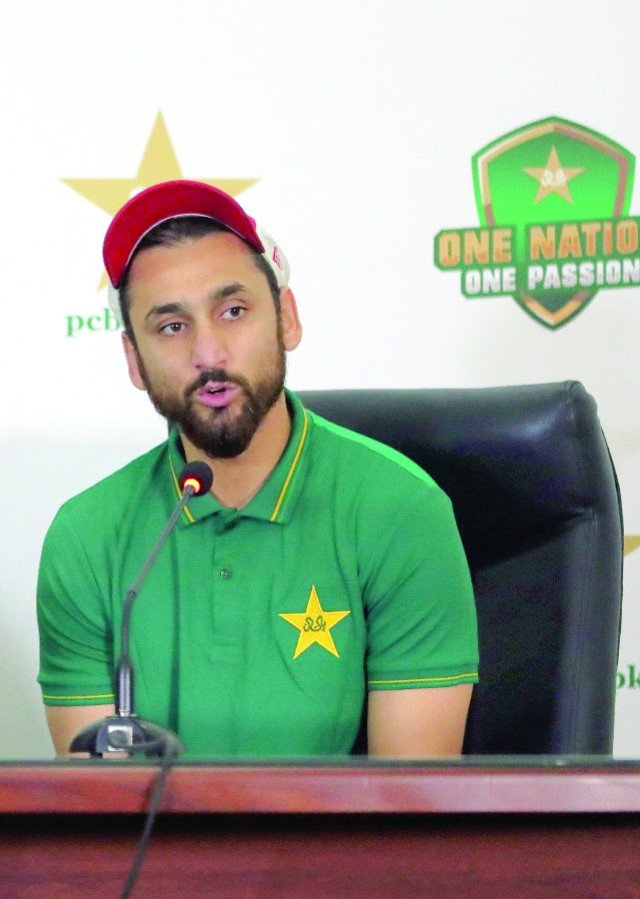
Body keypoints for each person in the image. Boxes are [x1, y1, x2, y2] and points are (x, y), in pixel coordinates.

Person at [36, 180, 478, 757]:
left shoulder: (401, 510)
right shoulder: (86, 536)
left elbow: (408, 814)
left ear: (286, 319)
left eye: (234, 311)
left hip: (337, 849)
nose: (209, 352)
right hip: (157, 851)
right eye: (171, 327)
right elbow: (101, 813)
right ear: (133, 360)